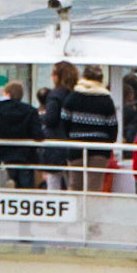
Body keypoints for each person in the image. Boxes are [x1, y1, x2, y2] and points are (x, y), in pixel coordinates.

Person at [58, 63, 119, 191]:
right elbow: (113, 127)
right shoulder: (106, 99)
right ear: (101, 80)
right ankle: (93, 211)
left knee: (75, 185)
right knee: (94, 187)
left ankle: (76, 211)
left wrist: (72, 138)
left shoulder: (72, 97)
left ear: (83, 77)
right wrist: (108, 143)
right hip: (99, 149)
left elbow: (64, 122)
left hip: (76, 147)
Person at [0, 80, 44, 189]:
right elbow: (38, 135)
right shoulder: (30, 111)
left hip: (2, 157)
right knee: (26, 192)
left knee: (3, 190)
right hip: (25, 157)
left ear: (7, 94)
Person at [41, 59, 81, 187]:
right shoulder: (76, 94)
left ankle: (54, 205)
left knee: (54, 181)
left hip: (56, 143)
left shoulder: (55, 95)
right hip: (73, 142)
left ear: (57, 77)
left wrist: (40, 118)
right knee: (73, 182)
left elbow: (51, 120)